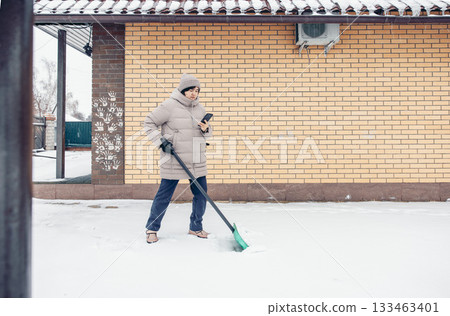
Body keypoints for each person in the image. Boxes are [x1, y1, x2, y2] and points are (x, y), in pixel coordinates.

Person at [143, 74, 212, 244]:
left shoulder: (200, 109)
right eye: (190, 90)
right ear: (183, 90)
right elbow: (149, 122)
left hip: (196, 157)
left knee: (201, 194)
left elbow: (207, 133)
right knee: (164, 195)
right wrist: (161, 142)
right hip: (174, 157)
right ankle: (152, 228)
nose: (194, 93)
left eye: (196, 90)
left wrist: (206, 129)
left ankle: (195, 227)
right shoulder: (169, 106)